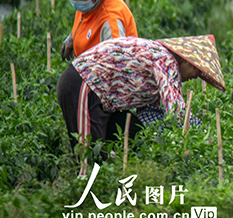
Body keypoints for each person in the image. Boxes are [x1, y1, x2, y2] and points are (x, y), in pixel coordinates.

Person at [57, 35, 221, 168]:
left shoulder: (160, 65)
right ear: (185, 60)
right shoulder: (166, 61)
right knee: (89, 158)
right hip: (83, 83)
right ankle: (85, 200)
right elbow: (177, 111)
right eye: (196, 69)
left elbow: (151, 114)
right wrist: (203, 135)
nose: (195, 76)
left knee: (135, 135)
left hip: (104, 100)